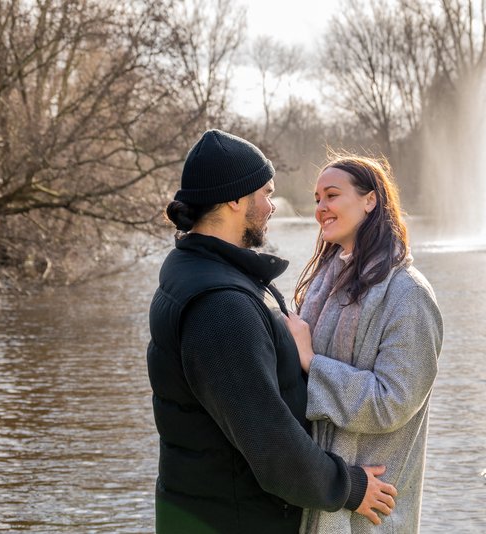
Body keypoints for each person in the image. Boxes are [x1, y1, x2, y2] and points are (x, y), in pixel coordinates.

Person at [146, 130, 397, 533]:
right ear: (234, 198)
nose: (271, 205)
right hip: (232, 520)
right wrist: (348, 486)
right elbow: (270, 443)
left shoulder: (204, 273)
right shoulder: (220, 307)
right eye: (265, 192)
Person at [285, 154, 444, 533]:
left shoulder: (408, 295)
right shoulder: (325, 284)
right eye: (317, 198)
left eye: (332, 195)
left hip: (371, 512)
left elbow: (393, 401)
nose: (321, 208)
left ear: (370, 200)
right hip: (327, 494)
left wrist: (311, 361)